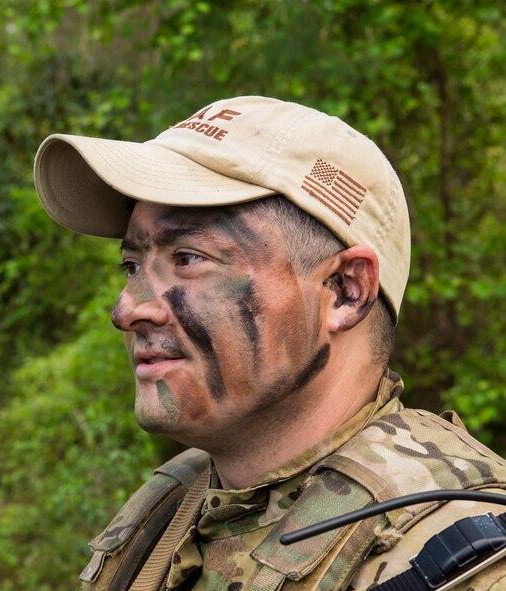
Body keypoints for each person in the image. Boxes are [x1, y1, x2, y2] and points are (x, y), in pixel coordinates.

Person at [32, 96, 506, 591]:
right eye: (132, 266)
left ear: (345, 291)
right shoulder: (173, 509)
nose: (127, 310)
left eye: (189, 258)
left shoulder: (458, 556)